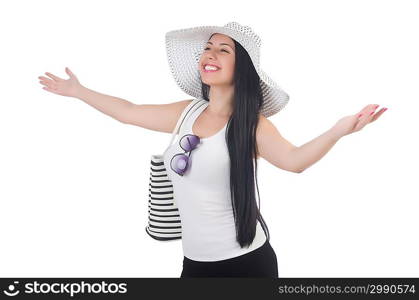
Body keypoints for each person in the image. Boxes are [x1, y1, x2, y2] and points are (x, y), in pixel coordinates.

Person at [37, 22, 387, 278]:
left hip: (247, 264)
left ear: (242, 67)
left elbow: (294, 161)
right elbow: (128, 112)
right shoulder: (185, 112)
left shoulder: (251, 124)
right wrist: (79, 91)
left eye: (224, 49)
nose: (210, 54)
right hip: (194, 265)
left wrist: (338, 131)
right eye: (208, 47)